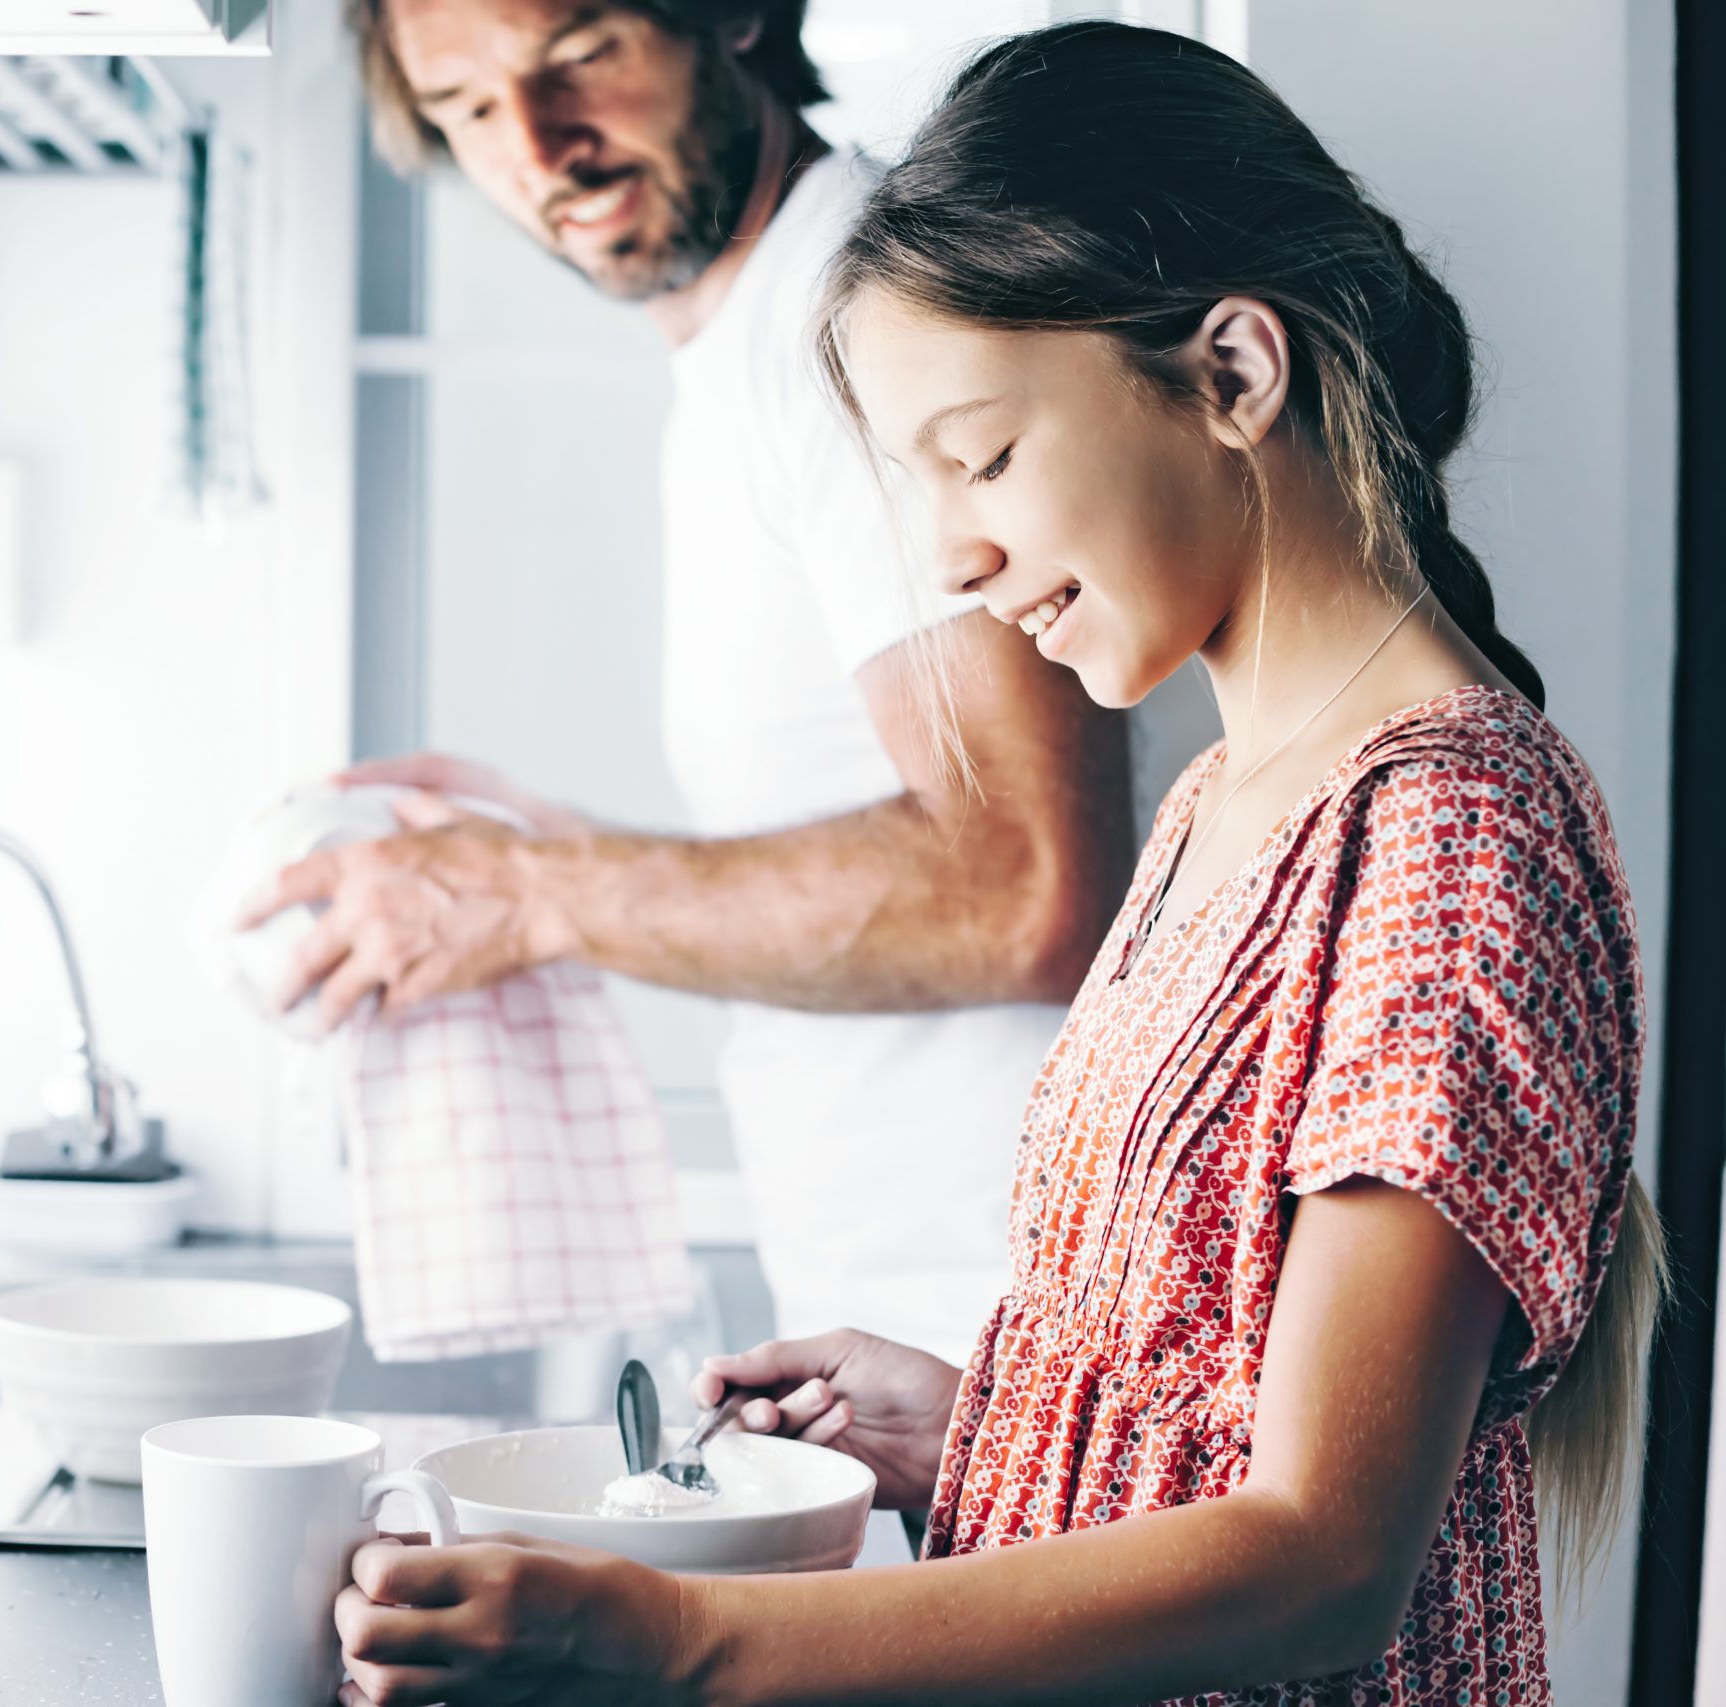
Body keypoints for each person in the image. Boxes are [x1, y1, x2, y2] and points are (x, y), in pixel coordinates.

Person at [329, 23, 1668, 1705]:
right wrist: (985, 1425)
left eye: (982, 459)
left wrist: (675, 1639)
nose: (954, 555)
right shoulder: (1225, 812)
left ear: (1234, 376)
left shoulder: (1453, 837)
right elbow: (1229, 1433)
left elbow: (1325, 1558)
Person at [247, 0, 1137, 1378]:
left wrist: (532, 893)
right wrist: (553, 858)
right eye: (468, 109)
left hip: (1041, 1339)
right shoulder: (753, 341)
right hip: (938, 1356)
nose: (541, 149)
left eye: (579, 55)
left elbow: (1024, 887)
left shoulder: (860, 315)